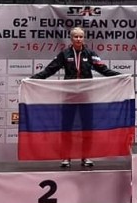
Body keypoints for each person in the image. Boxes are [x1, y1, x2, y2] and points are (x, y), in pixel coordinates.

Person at [31, 26, 120, 167]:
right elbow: (49, 70)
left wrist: (121, 76)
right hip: (69, 97)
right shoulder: (64, 54)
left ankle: (86, 156)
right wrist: (32, 79)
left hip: (86, 97)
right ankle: (66, 157)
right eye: (76, 37)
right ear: (71, 39)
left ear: (84, 38)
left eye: (81, 36)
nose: (78, 39)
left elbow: (104, 69)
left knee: (87, 128)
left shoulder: (90, 54)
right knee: (67, 128)